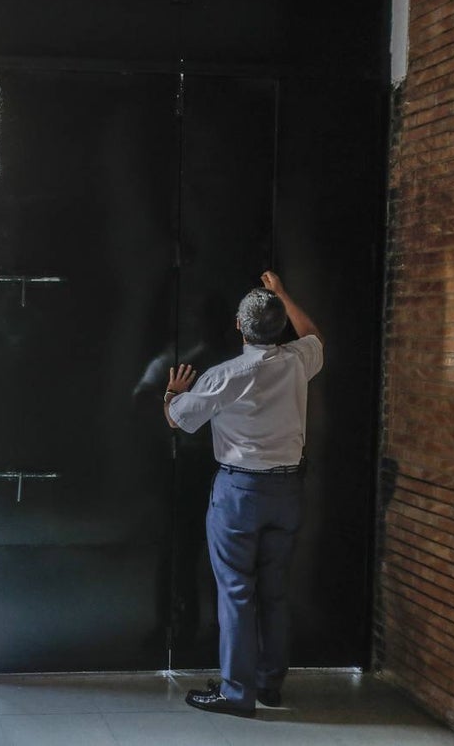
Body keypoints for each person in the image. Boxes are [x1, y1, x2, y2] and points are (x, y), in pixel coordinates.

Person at [163, 271, 324, 717]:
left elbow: (177, 418)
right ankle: (270, 685)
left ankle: (238, 693)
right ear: (279, 326)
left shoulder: (225, 375)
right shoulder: (297, 360)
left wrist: (172, 393)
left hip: (239, 492)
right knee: (274, 592)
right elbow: (312, 334)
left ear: (239, 325)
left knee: (236, 591)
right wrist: (282, 293)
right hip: (288, 489)